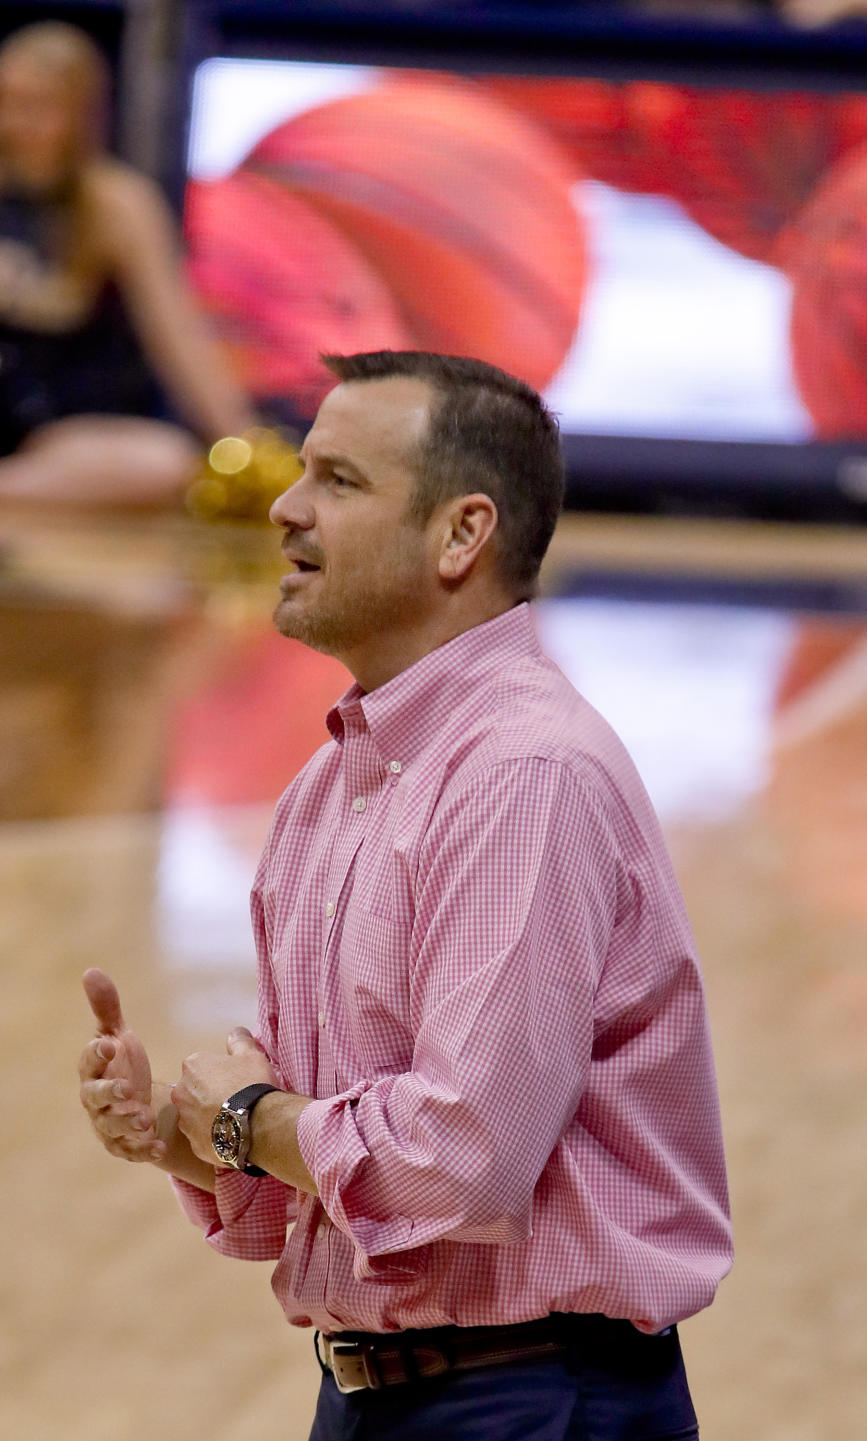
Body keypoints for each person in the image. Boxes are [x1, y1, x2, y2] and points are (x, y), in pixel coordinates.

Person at [79, 351, 733, 1440]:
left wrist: (249, 1118)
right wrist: (187, 1134)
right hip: (380, 1395)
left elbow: (464, 1160)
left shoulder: (526, 776)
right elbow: (323, 1142)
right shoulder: (330, 784)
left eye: (337, 480)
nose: (284, 505)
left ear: (460, 535)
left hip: (532, 1399)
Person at [0, 21, 252, 508]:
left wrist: (245, 447)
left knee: (165, 461)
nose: (14, 122)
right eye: (6, 101)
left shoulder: (118, 204)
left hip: (70, 437)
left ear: (79, 114)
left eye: (36, 106)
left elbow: (182, 343)